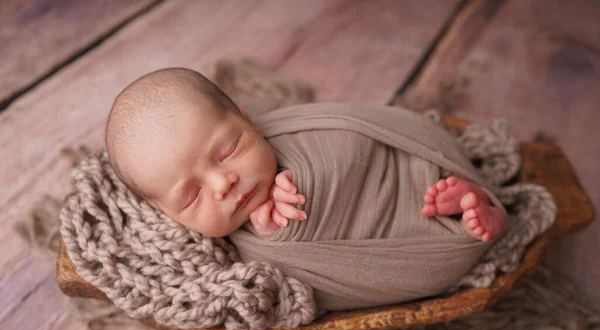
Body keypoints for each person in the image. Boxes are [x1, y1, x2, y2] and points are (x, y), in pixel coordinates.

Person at [106, 67, 506, 243]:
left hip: (391, 170)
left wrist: (307, 186)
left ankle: (475, 198)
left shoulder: (292, 133)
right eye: (192, 197)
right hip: (391, 247)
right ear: (168, 216)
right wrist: (273, 234)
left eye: (229, 150)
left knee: (418, 173)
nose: (222, 182)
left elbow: (354, 132)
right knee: (428, 228)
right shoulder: (215, 263)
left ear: (250, 122)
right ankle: (470, 219)